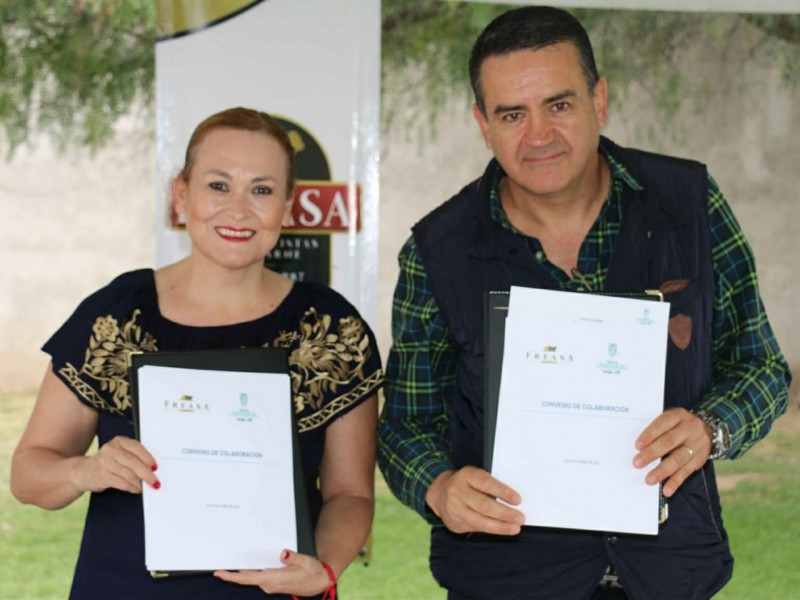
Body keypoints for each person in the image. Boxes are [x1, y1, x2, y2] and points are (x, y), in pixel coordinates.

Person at [377, 6, 791, 600]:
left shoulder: (689, 204)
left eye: (559, 105)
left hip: (669, 575)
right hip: (506, 581)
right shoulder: (437, 250)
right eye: (512, 114)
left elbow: (762, 367)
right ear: (483, 125)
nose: (539, 135)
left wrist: (712, 427)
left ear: (599, 100)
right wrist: (438, 486)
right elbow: (405, 424)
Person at [10, 107, 383, 599]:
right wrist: (86, 470)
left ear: (288, 207)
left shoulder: (332, 329)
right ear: (181, 194)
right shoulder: (115, 316)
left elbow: (350, 494)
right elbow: (28, 474)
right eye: (218, 185)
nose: (239, 210)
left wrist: (324, 569)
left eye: (262, 190)